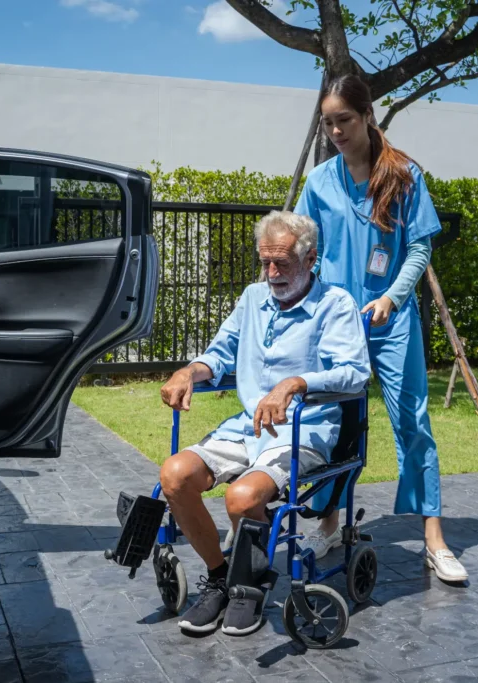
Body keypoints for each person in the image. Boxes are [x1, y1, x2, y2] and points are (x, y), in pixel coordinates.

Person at [159, 210, 371, 635]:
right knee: (175, 475)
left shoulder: (335, 305)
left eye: (283, 263)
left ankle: (248, 587)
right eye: (265, 262)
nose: (272, 273)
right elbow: (219, 353)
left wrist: (298, 382)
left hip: (305, 427)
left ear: (311, 259)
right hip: (248, 425)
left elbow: (355, 372)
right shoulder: (252, 298)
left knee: (241, 499)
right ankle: (222, 577)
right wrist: (190, 370)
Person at [292, 74, 468, 583]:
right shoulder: (320, 182)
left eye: (344, 120)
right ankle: (327, 522)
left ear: (367, 116)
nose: (336, 132)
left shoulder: (405, 175)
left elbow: (419, 249)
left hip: (392, 322)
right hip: (336, 325)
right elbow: (303, 244)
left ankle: (434, 538)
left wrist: (393, 296)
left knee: (412, 423)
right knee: (337, 423)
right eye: (328, 123)